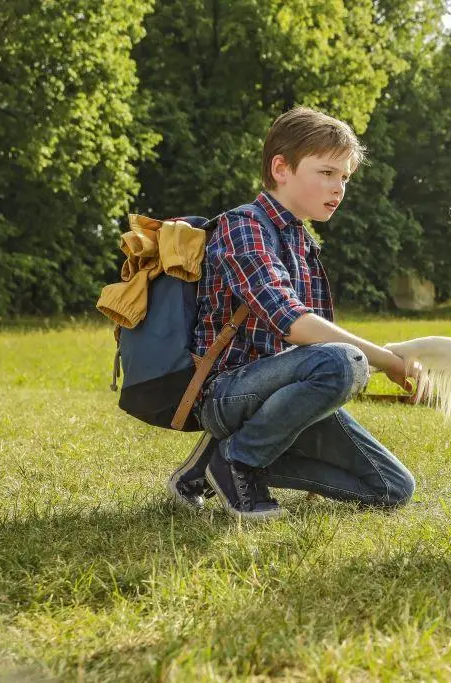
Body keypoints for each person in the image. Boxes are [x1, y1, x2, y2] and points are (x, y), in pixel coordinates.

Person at [166, 106, 418, 520]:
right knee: (343, 361)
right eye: (326, 173)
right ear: (281, 168)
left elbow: (319, 346)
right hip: (227, 393)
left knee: (392, 487)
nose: (338, 188)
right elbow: (295, 324)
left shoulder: (304, 244)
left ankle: (210, 466)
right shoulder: (243, 226)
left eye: (345, 177)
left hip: (279, 391)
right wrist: (388, 361)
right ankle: (238, 462)